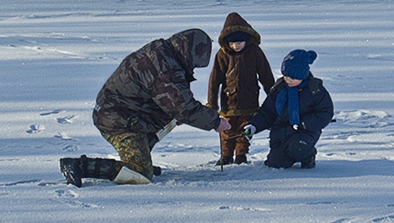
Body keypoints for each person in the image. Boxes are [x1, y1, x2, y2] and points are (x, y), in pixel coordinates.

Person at [59, 28, 230, 186]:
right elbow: (184, 107)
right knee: (141, 173)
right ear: (189, 53)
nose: (193, 68)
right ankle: (80, 166)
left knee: (172, 118)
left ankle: (140, 156)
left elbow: (176, 105)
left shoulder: (162, 52)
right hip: (118, 120)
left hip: (124, 113)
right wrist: (215, 122)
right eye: (195, 63)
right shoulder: (165, 68)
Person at [244, 49, 333, 169]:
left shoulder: (315, 90)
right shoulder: (279, 89)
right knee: (275, 163)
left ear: (303, 75)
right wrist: (254, 126)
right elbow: (267, 112)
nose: (288, 80)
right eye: (286, 76)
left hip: (304, 132)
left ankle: (308, 157)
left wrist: (303, 123)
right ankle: (287, 156)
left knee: (299, 147)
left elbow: (325, 112)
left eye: (293, 78)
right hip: (280, 134)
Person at [207, 12, 275, 165]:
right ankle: (226, 156)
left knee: (245, 129)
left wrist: (273, 96)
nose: (235, 46)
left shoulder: (255, 52)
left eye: (238, 43)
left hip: (249, 100)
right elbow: (214, 80)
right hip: (228, 101)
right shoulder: (222, 55)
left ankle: (241, 155)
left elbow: (265, 75)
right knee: (227, 129)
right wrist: (212, 103)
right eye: (232, 43)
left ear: (246, 40)